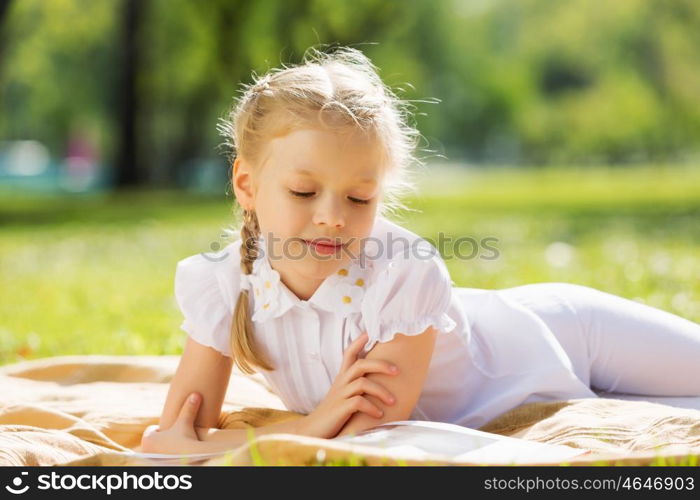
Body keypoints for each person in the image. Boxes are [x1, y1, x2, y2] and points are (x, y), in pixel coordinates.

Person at [140, 46, 700, 455]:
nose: (333, 215)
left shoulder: (402, 272)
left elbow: (367, 432)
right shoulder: (221, 284)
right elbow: (172, 438)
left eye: (360, 197)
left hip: (568, 335)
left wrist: (254, 438)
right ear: (246, 185)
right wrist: (314, 426)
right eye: (304, 192)